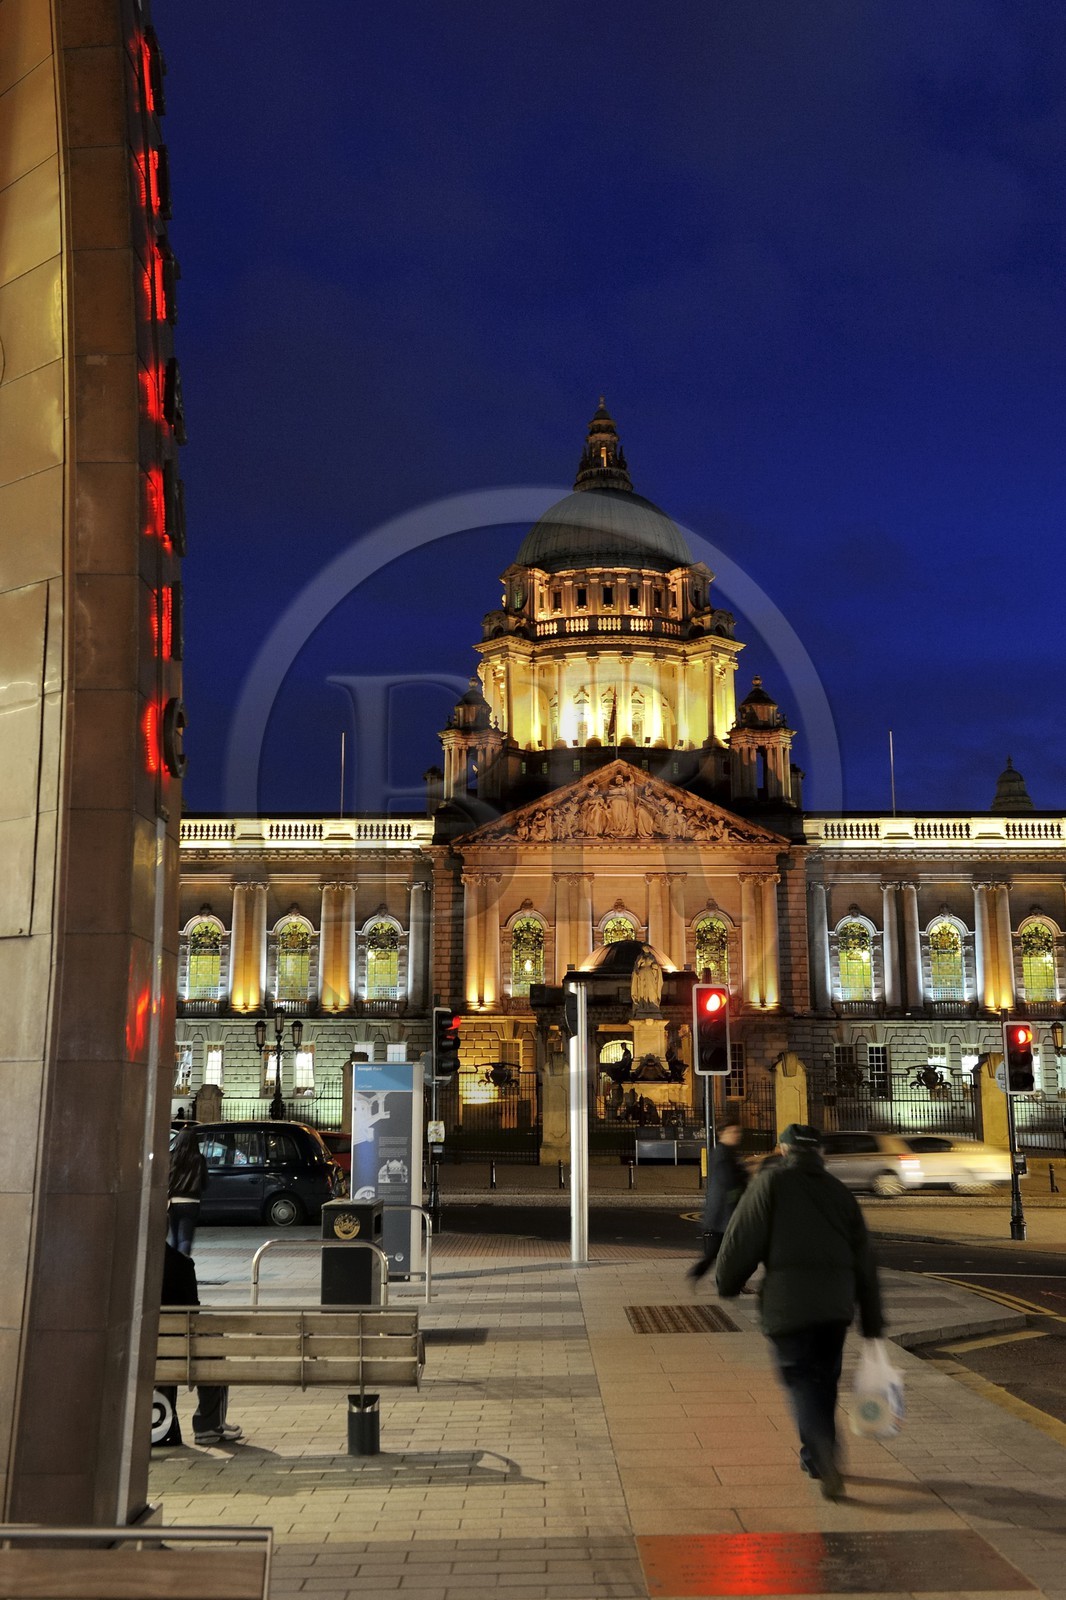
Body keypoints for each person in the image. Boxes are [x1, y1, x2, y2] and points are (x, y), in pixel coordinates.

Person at [715, 1123, 883, 1502]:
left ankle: (823, 1456)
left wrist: (727, 1283)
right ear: (819, 1153)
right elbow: (866, 1259)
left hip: (789, 1306)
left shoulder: (771, 1183)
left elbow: (742, 1237)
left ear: (783, 1149)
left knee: (801, 1381)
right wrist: (872, 1318)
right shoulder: (840, 1192)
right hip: (836, 1309)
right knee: (823, 1382)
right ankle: (816, 1456)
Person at [156, 1242, 242, 1447]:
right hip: (178, 1345)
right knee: (213, 1349)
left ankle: (159, 1424)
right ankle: (208, 1425)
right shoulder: (181, 1263)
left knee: (163, 1357)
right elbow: (192, 1311)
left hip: (138, 1348)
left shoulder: (130, 1261)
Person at [688, 1117, 747, 1280]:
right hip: (724, 1212)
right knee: (732, 1250)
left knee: (720, 1252)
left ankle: (700, 1273)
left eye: (738, 1132)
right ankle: (722, 1279)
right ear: (722, 1134)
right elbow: (729, 1181)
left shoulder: (728, 1152)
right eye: (733, 1132)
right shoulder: (722, 1153)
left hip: (724, 1213)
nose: (737, 1135)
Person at [167, 1126, 208, 1255]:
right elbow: (205, 1183)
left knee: (174, 1237)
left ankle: (173, 1268)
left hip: (173, 1202)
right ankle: (183, 1266)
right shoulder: (199, 1159)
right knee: (185, 1238)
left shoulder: (172, 1157)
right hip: (191, 1202)